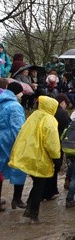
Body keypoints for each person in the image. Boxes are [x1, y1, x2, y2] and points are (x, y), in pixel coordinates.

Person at [9, 96, 60, 223]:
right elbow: (52, 143)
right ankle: (33, 214)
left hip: (29, 155)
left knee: (36, 183)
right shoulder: (50, 120)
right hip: (40, 158)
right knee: (39, 186)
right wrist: (56, 157)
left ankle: (29, 209)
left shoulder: (34, 116)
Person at [0, 82, 26, 211]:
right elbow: (18, 128)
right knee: (19, 168)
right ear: (17, 92)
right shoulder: (15, 106)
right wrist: (22, 144)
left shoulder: (1, 101)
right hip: (11, 141)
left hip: (1, 139)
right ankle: (17, 199)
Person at [42, 93, 71, 201]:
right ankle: (50, 191)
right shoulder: (62, 113)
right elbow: (68, 126)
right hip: (57, 143)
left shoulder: (48, 112)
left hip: (46, 144)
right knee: (55, 167)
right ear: (62, 102)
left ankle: (47, 191)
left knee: (48, 167)